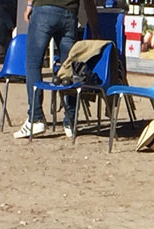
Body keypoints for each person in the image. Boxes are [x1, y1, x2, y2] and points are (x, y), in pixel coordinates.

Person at [14, 0, 98, 139]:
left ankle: (36, 118)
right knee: (70, 68)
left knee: (34, 64)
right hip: (69, 14)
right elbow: (89, 3)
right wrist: (95, 29)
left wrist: (29, 5)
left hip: (44, 9)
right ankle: (70, 121)